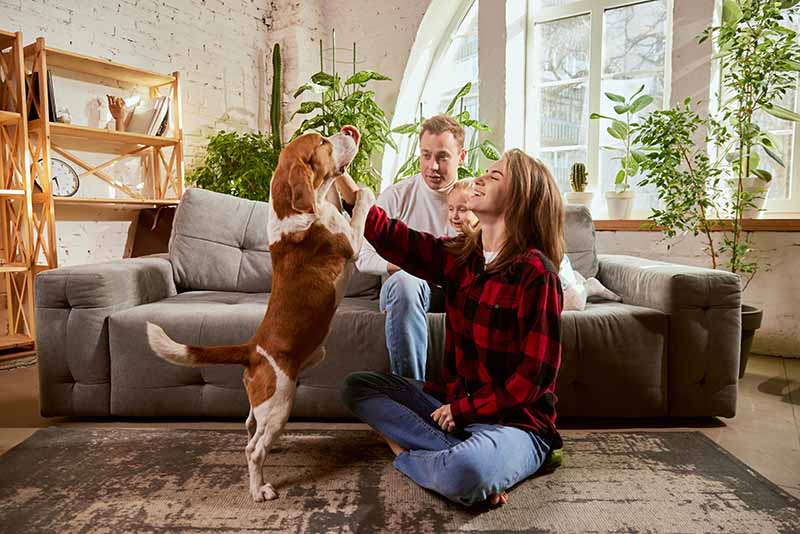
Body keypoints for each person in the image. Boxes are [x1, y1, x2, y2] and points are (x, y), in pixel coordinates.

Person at [336, 149, 565, 507]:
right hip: (454, 410)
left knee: (466, 471)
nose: (480, 179)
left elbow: (533, 379)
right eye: (485, 172)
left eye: (495, 176)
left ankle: (412, 452)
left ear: (518, 200)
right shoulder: (463, 256)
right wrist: (343, 180)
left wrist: (464, 410)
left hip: (514, 424)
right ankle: (466, 458)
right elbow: (397, 239)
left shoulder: (537, 273)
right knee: (359, 387)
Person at [357, 115, 466, 381]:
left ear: (461, 156)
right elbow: (363, 256)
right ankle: (411, 393)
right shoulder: (397, 196)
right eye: (426, 155)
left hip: (456, 287)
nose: (433, 166)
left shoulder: (473, 197)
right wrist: (414, 263)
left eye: (443, 157)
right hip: (407, 289)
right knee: (407, 281)